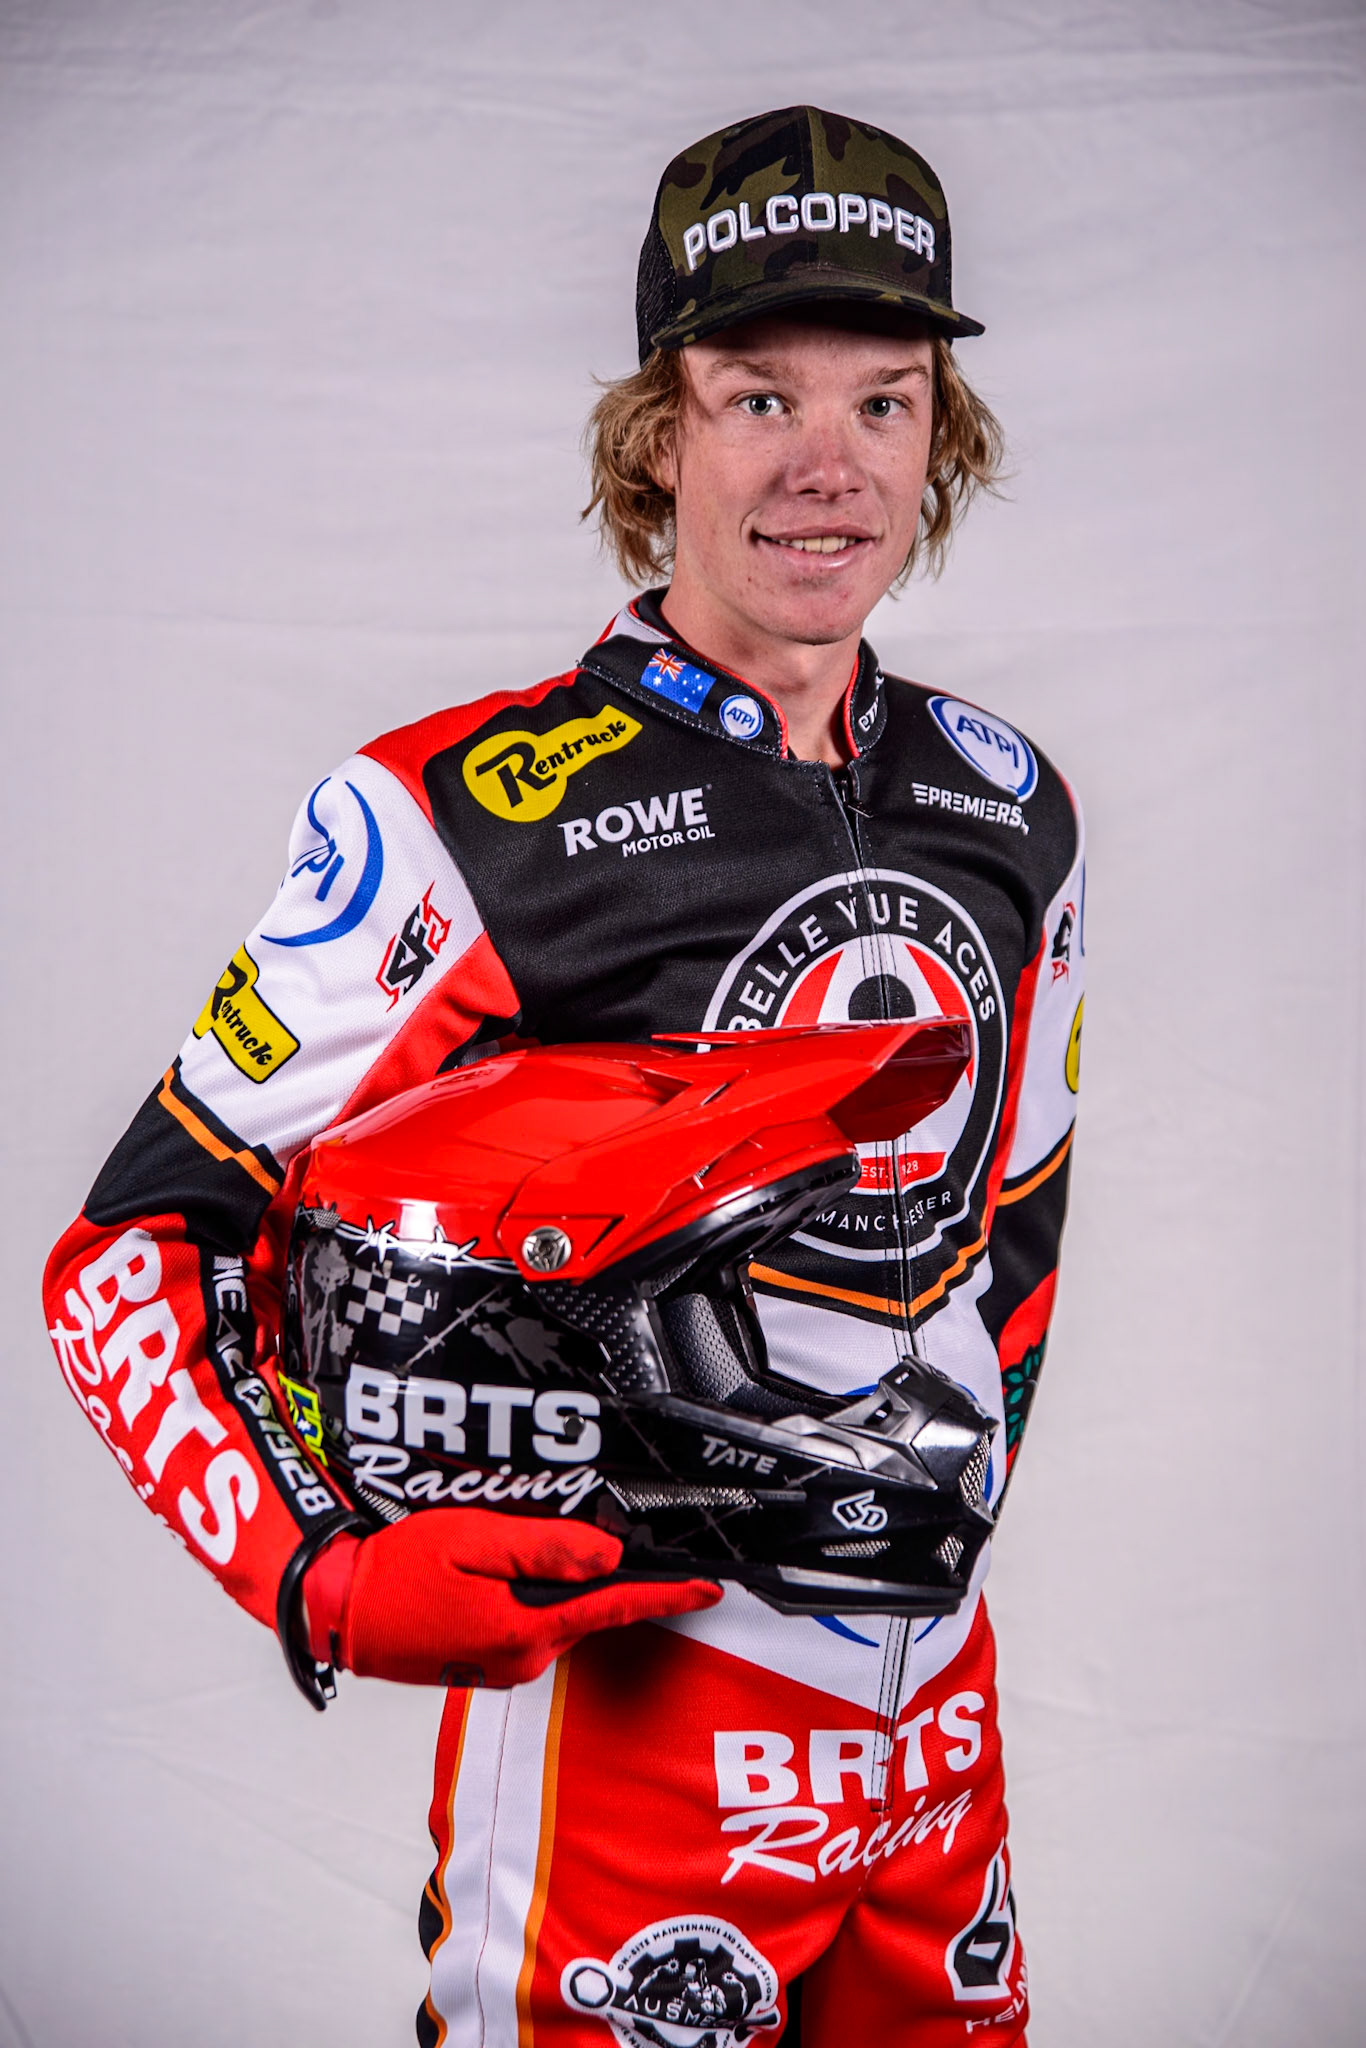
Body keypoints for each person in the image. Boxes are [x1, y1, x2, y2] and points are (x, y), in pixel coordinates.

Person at [44, 105, 1084, 2046]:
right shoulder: (453, 817)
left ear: (938, 435)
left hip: (938, 1743)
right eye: (755, 394)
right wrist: (319, 1574)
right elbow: (126, 1255)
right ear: (654, 436)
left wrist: (921, 1516)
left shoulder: (1010, 807)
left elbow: (1008, 1221)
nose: (824, 468)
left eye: (883, 401)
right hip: (632, 1739)